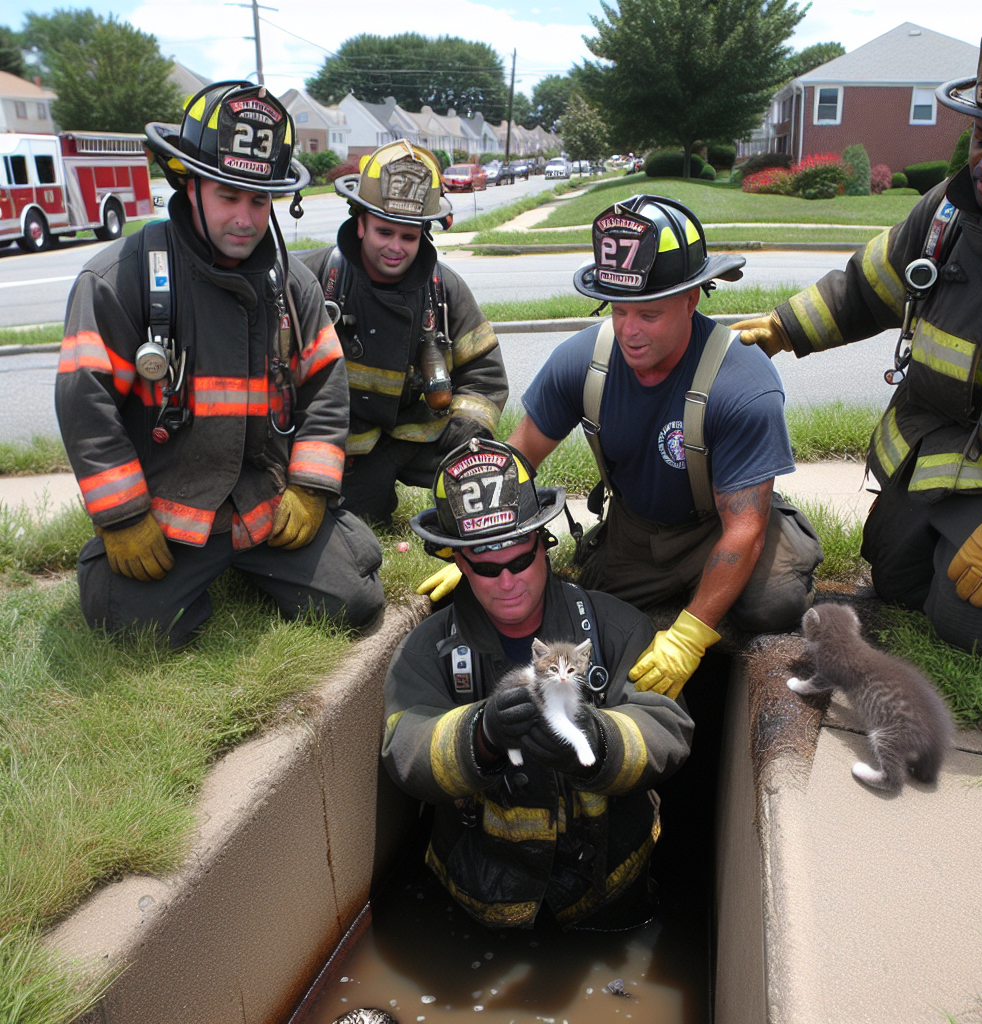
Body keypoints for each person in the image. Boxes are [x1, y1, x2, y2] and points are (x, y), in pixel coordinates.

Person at [420, 195, 822, 697]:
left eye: (649, 315)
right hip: (636, 532)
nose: (629, 331)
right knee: (581, 614)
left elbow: (744, 528)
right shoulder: (583, 362)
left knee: (772, 603)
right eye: (619, 310)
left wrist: (690, 637)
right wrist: (483, 553)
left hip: (720, 523)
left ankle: (776, 570)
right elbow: (514, 464)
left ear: (692, 299)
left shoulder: (743, 383)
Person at [734, 10, 982, 658]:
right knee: (894, 581)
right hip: (930, 447)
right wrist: (785, 327)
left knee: (974, 619)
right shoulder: (945, 211)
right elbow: (867, 288)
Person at [55, 81, 385, 647]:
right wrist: (124, 516)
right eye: (228, 195)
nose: (245, 217)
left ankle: (286, 557)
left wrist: (309, 487)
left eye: (259, 200)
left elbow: (327, 386)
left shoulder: (293, 285)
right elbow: (85, 403)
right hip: (171, 514)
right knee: (128, 622)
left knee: (355, 598)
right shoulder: (122, 277)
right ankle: (156, 569)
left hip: (266, 504)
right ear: (188, 184)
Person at [382, 439, 693, 931]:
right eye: (485, 567)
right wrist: (480, 735)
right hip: (482, 900)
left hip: (608, 894)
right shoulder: (428, 651)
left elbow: (668, 728)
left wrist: (594, 738)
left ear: (544, 546)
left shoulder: (616, 628)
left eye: (519, 560)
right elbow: (405, 748)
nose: (506, 581)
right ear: (460, 564)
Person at [299, 141, 508, 526]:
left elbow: (486, 378)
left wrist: (467, 436)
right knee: (361, 520)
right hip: (345, 445)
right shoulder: (314, 280)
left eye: (409, 237)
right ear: (359, 223)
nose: (396, 248)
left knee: (492, 476)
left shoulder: (445, 290)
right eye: (383, 232)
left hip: (424, 437)